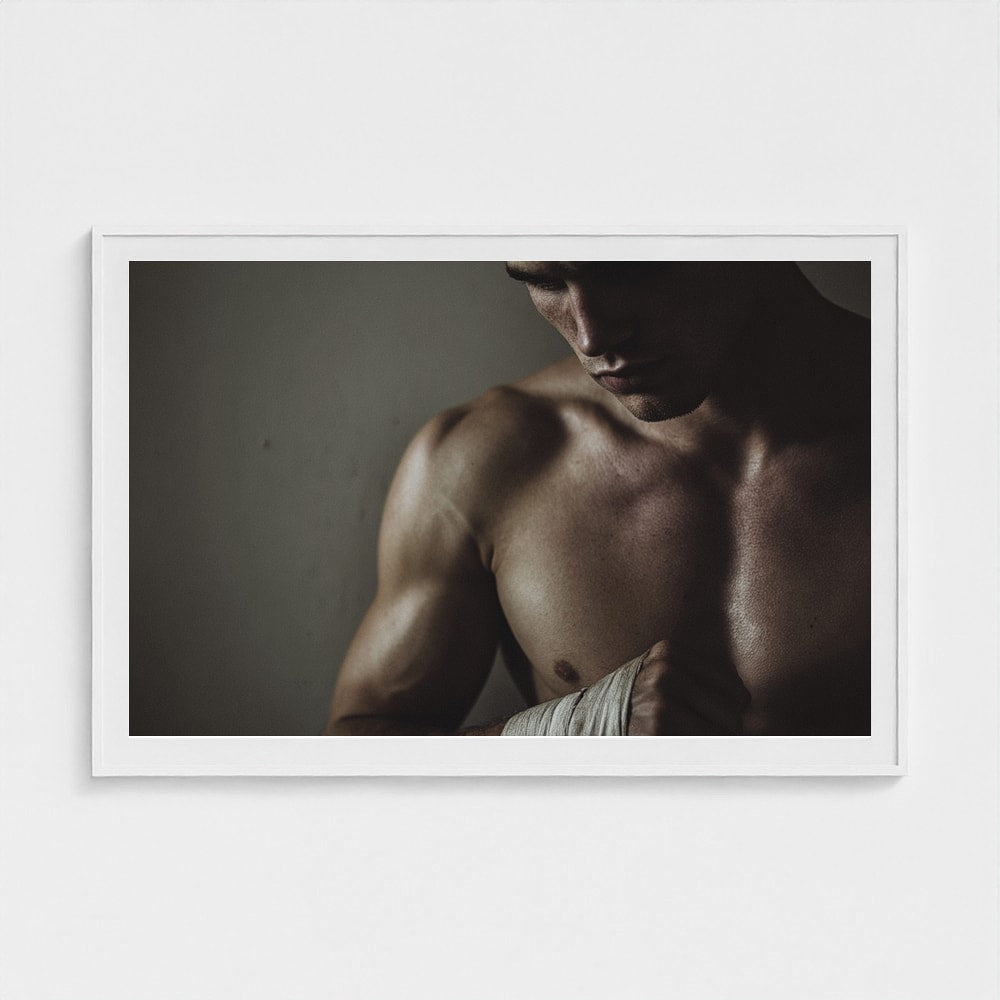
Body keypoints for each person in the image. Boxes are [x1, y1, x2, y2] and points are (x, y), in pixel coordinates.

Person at [324, 262, 870, 736]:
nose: (593, 336)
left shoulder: (931, 430)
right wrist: (581, 727)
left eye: (629, 269)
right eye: (544, 282)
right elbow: (357, 753)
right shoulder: (486, 461)